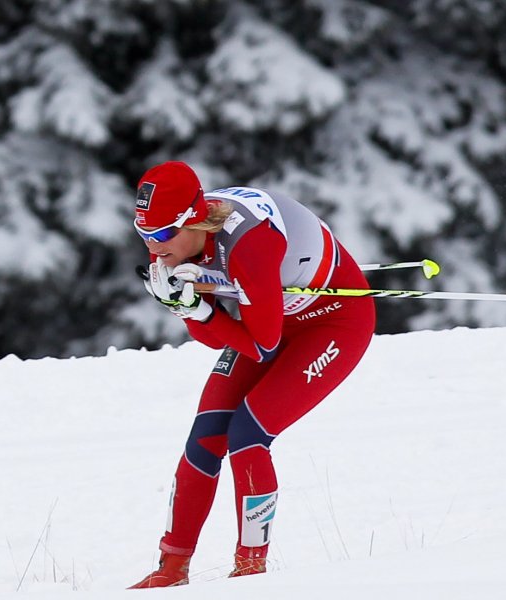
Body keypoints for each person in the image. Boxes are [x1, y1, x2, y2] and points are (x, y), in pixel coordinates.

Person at [128, 161, 376, 588]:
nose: (155, 249)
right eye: (144, 235)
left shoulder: (249, 245)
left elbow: (261, 344)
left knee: (247, 433)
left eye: (163, 235)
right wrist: (190, 306)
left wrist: (196, 308)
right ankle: (171, 569)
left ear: (194, 220)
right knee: (205, 437)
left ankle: (250, 573)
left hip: (331, 324)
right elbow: (222, 335)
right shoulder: (181, 242)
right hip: (266, 322)